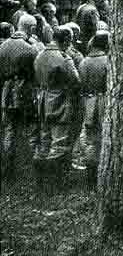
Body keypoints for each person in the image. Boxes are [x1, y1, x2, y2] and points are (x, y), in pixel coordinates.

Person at [33, 26, 81, 190]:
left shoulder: (40, 54)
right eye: (70, 41)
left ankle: (40, 181)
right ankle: (55, 184)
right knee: (59, 141)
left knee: (44, 140)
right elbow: (76, 81)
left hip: (42, 100)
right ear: (66, 40)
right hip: (59, 101)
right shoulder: (64, 58)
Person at [0, 15, 40, 183]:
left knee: (9, 130)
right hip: (25, 93)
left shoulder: (2, 47)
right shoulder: (31, 49)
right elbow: (36, 75)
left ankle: (8, 171)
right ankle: (33, 172)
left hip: (7, 93)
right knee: (32, 129)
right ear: (31, 28)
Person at [78, 30, 109, 187]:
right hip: (103, 101)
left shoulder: (83, 61)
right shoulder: (107, 61)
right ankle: (103, 173)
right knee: (104, 137)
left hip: (88, 102)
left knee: (91, 138)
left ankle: (91, 174)